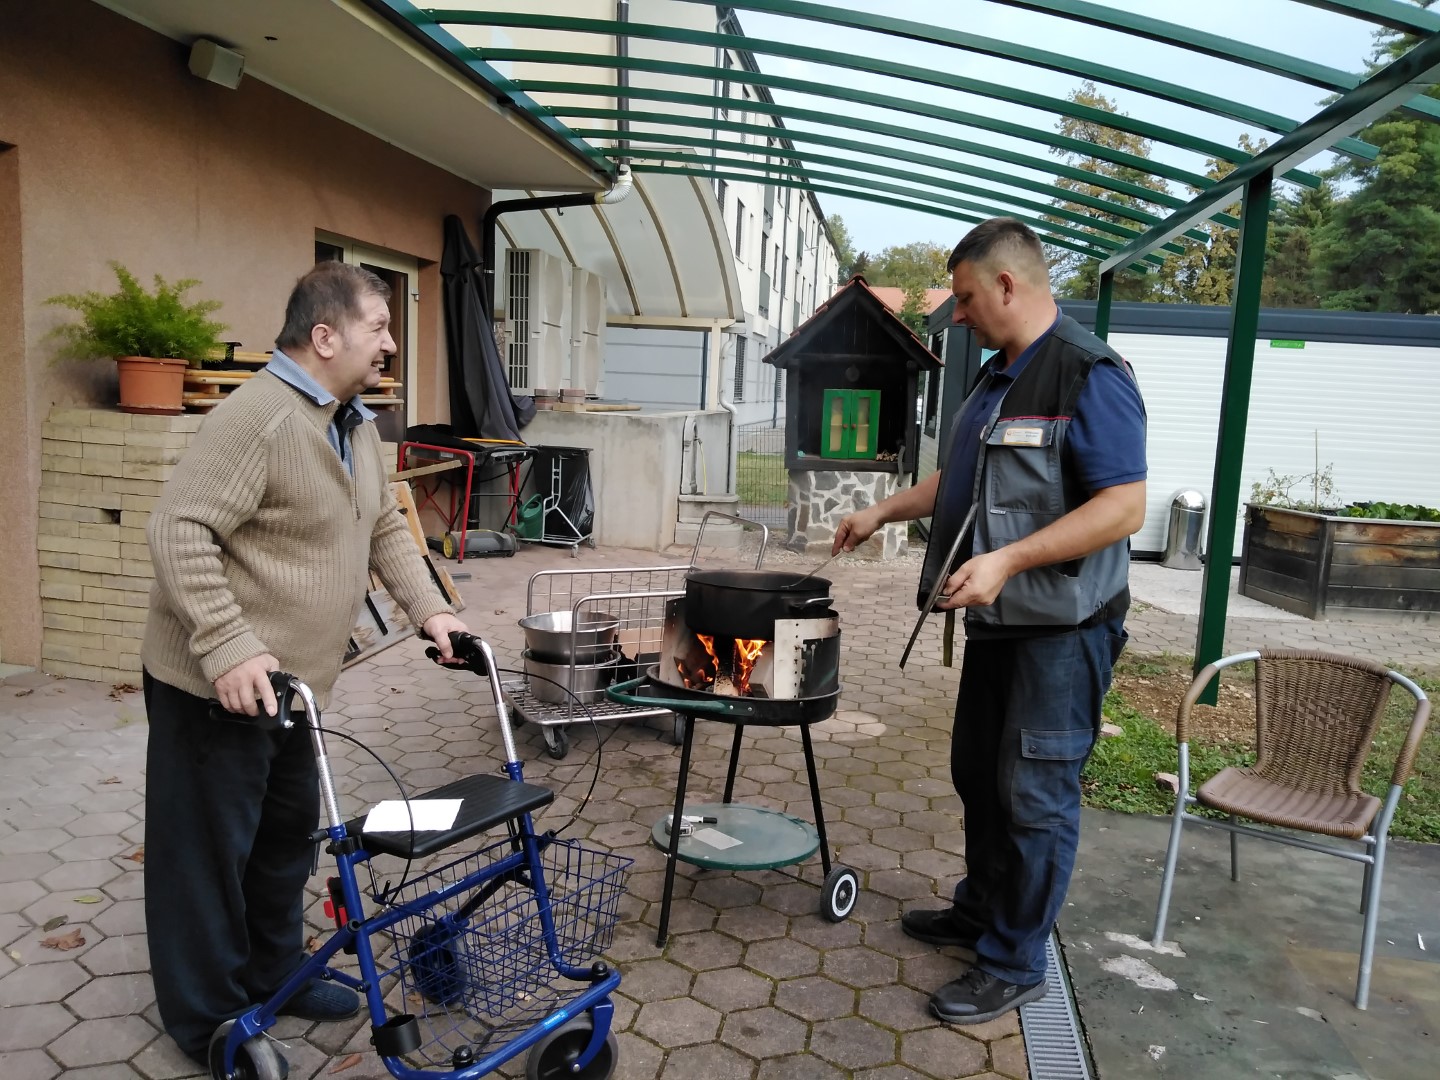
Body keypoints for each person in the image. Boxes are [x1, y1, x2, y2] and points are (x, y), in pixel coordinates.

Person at [141, 261, 470, 1066]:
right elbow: (179, 529)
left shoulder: (352, 422)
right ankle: (212, 1023)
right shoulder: (257, 418)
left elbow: (383, 525)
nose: (390, 344)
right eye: (379, 328)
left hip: (294, 689)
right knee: (207, 859)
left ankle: (275, 974)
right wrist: (228, 643)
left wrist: (430, 608)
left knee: (284, 840)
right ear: (325, 337)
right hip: (215, 686)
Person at [833, 218, 1147, 1025]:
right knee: (979, 774)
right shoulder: (996, 378)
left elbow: (1123, 507)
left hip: (1063, 633)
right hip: (999, 624)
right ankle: (979, 910)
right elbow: (960, 479)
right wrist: (880, 512)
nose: (960, 314)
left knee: (1035, 795)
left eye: (967, 298)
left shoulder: (1089, 374)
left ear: (1007, 284)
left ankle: (1013, 962)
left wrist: (1008, 560)